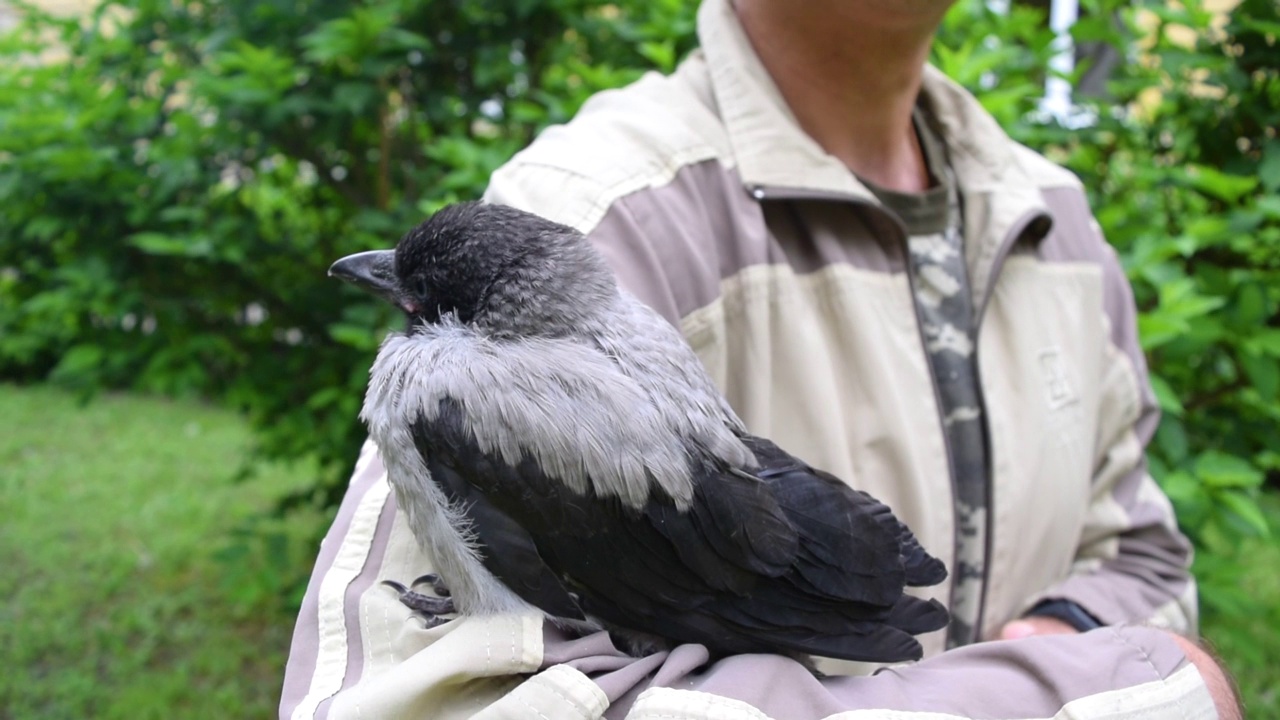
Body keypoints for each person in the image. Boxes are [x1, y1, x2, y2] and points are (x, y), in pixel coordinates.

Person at [280, 0, 1241, 717]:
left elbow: (1144, 552)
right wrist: (1072, 694)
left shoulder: (1054, 216)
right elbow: (409, 696)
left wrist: (1069, 628)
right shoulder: (587, 209)